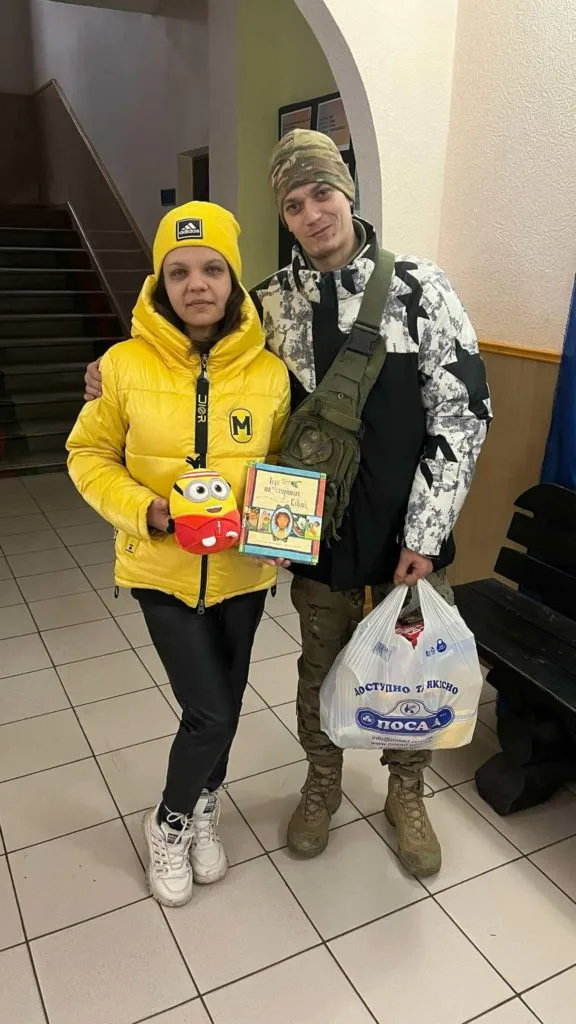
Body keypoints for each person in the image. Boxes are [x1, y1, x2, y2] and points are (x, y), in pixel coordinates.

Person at [84, 132, 492, 878]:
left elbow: (462, 415)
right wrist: (108, 372)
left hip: (408, 541)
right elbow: (200, 347)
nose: (312, 213)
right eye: (294, 203)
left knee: (412, 673)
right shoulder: (270, 303)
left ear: (349, 192)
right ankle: (323, 783)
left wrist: (428, 534)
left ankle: (407, 793)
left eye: (322, 193)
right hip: (318, 543)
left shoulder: (421, 290)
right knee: (319, 669)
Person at [68, 201, 290, 907]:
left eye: (213, 269)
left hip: (243, 574)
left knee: (226, 699)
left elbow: (285, 468)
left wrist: (283, 528)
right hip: (160, 571)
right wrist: (150, 510)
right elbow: (88, 456)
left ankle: (204, 807)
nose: (198, 284)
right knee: (211, 713)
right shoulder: (121, 368)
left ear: (233, 278)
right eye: (180, 270)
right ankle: (167, 820)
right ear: (161, 282)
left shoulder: (271, 374)